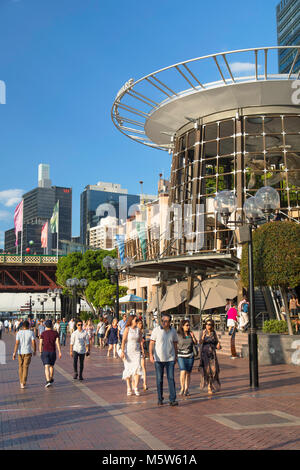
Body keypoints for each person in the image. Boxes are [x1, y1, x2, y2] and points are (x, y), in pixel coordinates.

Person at [149, 313, 178, 406]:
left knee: (171, 378)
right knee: (159, 379)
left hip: (170, 358)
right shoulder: (156, 330)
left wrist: (176, 356)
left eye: (166, 321)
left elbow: (175, 344)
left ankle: (172, 399)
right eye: (163, 321)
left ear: (170, 322)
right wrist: (150, 355)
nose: (164, 323)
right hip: (158, 359)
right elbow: (151, 343)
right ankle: (160, 398)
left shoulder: (173, 331)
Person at [120, 315, 144, 396]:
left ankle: (136, 387)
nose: (136, 321)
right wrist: (122, 351)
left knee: (137, 368)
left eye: (137, 320)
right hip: (128, 352)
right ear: (131, 320)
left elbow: (141, 341)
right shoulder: (127, 329)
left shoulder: (138, 330)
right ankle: (129, 387)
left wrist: (143, 351)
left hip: (136, 352)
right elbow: (123, 340)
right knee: (128, 369)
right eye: (135, 319)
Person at [199, 319, 221, 395]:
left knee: (214, 371)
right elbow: (200, 342)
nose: (208, 326)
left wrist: (218, 345)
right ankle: (209, 387)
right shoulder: (202, 332)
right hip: (205, 354)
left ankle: (212, 384)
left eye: (210, 324)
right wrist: (203, 336)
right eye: (207, 324)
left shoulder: (213, 333)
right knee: (207, 371)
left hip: (212, 354)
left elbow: (216, 343)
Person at [12, 320, 36, 389]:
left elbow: (16, 343)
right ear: (28, 326)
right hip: (28, 351)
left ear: (22, 326)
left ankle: (21, 382)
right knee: (25, 367)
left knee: (20, 366)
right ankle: (23, 382)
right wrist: (34, 350)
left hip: (20, 352)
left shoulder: (19, 333)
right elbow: (33, 342)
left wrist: (14, 353)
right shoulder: (31, 333)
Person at [177, 319, 198, 397]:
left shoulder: (190, 334)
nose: (188, 327)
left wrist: (193, 337)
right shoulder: (178, 335)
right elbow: (175, 344)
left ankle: (186, 389)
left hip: (190, 355)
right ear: (182, 326)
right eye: (186, 325)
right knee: (183, 371)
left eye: (189, 325)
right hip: (181, 355)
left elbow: (196, 343)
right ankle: (182, 388)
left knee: (188, 373)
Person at [39, 319, 62, 388]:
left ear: (45, 325)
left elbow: (40, 343)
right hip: (53, 351)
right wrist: (60, 352)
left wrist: (40, 351)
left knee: (46, 366)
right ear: (51, 325)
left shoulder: (43, 333)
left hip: (45, 351)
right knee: (51, 366)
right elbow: (57, 343)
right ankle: (51, 378)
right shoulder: (55, 333)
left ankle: (48, 380)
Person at [137, 319, 148, 391]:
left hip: (142, 350)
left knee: (143, 366)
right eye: (139, 323)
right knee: (137, 368)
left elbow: (143, 341)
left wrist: (144, 351)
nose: (141, 325)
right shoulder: (135, 331)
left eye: (141, 323)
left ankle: (145, 383)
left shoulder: (143, 331)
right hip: (136, 351)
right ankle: (135, 384)